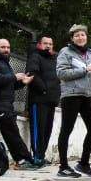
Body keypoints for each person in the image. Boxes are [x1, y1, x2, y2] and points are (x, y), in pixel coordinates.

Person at [0, 39, 38, 170]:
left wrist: (23, 82)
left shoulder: (4, 63)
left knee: (12, 132)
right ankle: (23, 160)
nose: (6, 50)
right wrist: (14, 77)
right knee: (12, 133)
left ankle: (25, 160)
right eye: (3, 47)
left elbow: (9, 84)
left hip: (6, 104)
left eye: (8, 47)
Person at [55, 25, 91, 177]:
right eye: (77, 36)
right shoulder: (65, 52)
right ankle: (63, 166)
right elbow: (61, 73)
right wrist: (85, 70)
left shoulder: (90, 53)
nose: (80, 38)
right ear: (72, 38)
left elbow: (90, 76)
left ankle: (83, 163)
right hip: (71, 95)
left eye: (83, 35)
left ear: (86, 37)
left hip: (87, 94)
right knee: (66, 129)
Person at [24, 35, 61, 166]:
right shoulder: (35, 56)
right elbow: (32, 74)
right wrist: (44, 90)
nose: (48, 46)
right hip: (39, 99)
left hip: (52, 100)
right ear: (39, 44)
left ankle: (41, 155)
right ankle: (36, 156)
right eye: (45, 43)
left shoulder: (55, 59)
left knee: (47, 129)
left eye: (50, 44)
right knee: (38, 129)